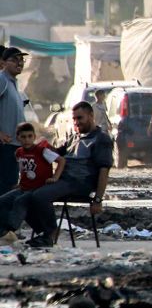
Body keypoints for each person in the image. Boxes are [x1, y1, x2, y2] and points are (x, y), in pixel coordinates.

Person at [17, 101, 111, 248]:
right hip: (63, 180)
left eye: (80, 118)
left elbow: (104, 170)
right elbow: (56, 153)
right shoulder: (74, 137)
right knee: (24, 196)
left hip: (79, 182)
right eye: (74, 119)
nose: (76, 122)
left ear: (91, 116)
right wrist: (41, 146)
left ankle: (50, 233)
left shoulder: (101, 139)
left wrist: (98, 200)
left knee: (39, 196)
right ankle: (44, 232)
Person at [0, 47, 30, 192]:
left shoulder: (13, 84)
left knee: (11, 186)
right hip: (5, 145)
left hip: (14, 145)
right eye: (14, 60)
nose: (19, 63)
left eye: (21, 60)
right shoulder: (2, 79)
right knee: (5, 188)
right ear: (3, 62)